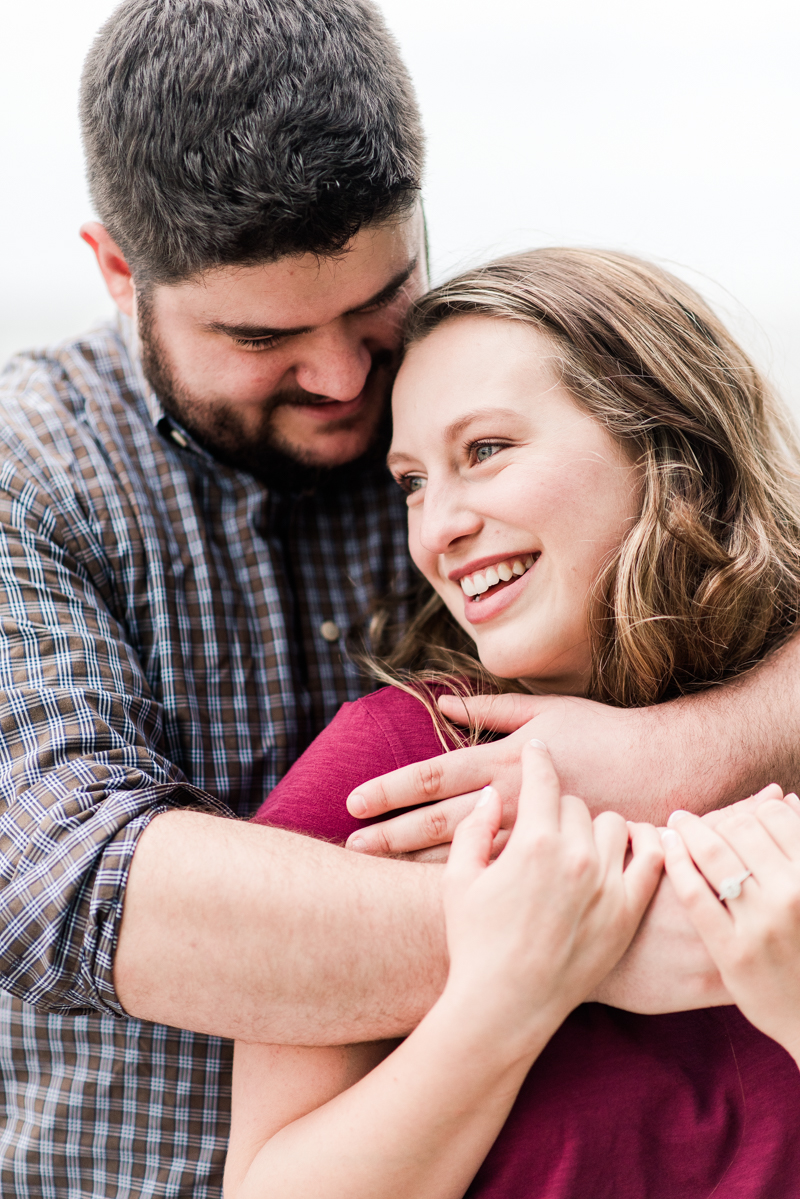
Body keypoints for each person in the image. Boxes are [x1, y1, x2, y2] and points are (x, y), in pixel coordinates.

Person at [0, 0, 795, 1193]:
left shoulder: (442, 384)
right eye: (261, 335)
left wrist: (680, 751)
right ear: (118, 271)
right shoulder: (30, 481)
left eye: (374, 304)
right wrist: (578, 934)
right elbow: (62, 884)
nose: (340, 381)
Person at [226, 248, 800, 1198]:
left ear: (663, 437)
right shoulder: (396, 774)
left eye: (484, 451)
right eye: (411, 480)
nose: (435, 527)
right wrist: (510, 998)